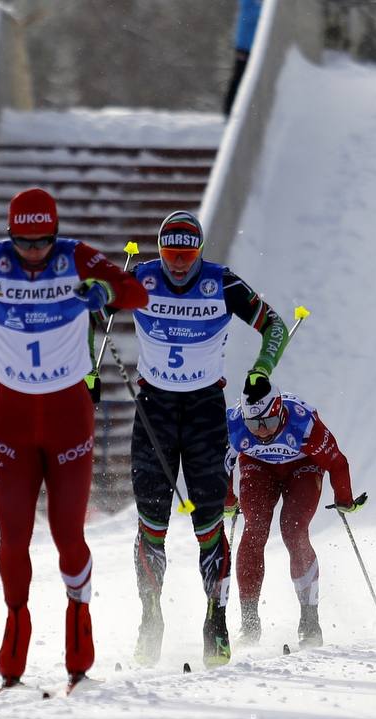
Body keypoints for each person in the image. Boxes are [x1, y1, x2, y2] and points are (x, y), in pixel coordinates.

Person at [0, 187, 147, 690]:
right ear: (11, 235)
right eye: (24, 242)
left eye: (42, 242)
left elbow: (135, 292)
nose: (34, 252)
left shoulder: (76, 256)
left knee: (67, 535)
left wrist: (105, 292)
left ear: (54, 235)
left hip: (67, 415)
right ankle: (16, 631)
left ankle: (79, 643)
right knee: (12, 536)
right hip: (12, 415)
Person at [117, 210, 290, 669]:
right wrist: (88, 371)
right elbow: (90, 311)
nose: (177, 264)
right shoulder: (140, 277)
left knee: (209, 522)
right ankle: (150, 618)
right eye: (170, 254)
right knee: (151, 522)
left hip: (203, 413)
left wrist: (261, 371)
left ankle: (215, 619)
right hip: (153, 410)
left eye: (187, 254)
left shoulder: (223, 283)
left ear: (200, 251)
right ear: (158, 251)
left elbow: (275, 326)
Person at [224, 380, 365, 648]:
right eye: (254, 425)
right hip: (258, 467)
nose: (262, 432)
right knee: (254, 529)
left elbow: (337, 462)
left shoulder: (303, 422)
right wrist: (228, 500)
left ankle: (310, 621)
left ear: (279, 410)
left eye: (267, 423)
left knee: (293, 529)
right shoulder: (234, 424)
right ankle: (249, 623)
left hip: (303, 467)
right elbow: (221, 466)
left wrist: (344, 499)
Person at [224, 0, 263, 115]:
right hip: (245, 46)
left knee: (248, 77)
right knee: (240, 77)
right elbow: (253, 14)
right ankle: (229, 109)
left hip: (253, 46)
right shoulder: (249, 3)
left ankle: (243, 109)